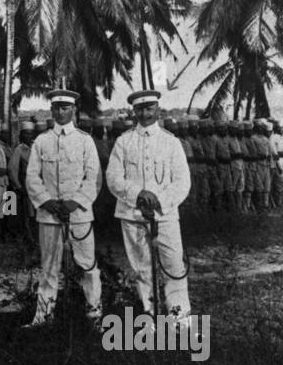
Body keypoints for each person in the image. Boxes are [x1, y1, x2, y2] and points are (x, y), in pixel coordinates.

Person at [106, 90, 192, 321]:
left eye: (149, 108)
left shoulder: (170, 142)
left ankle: (179, 320)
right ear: (134, 111)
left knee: (174, 266)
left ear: (158, 110)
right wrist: (138, 194)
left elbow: (182, 181)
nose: (145, 113)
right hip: (132, 214)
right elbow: (113, 178)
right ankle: (150, 318)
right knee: (142, 269)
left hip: (165, 215)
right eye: (140, 109)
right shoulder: (123, 142)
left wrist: (159, 200)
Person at [25, 89, 102, 326]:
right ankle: (44, 317)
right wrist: (47, 202)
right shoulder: (42, 140)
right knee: (48, 269)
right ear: (51, 110)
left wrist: (74, 202)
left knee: (88, 267)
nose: (61, 112)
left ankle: (94, 316)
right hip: (49, 216)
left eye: (65, 108)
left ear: (73, 110)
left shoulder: (84, 140)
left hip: (79, 216)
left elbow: (94, 178)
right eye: (57, 107)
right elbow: (32, 177)